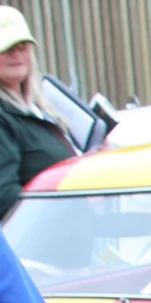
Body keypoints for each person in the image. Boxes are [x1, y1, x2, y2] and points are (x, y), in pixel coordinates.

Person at [0, 6, 73, 219]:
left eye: (23, 45)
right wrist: (78, 199)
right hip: (35, 246)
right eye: (7, 48)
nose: (17, 54)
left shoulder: (37, 107)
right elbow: (4, 196)